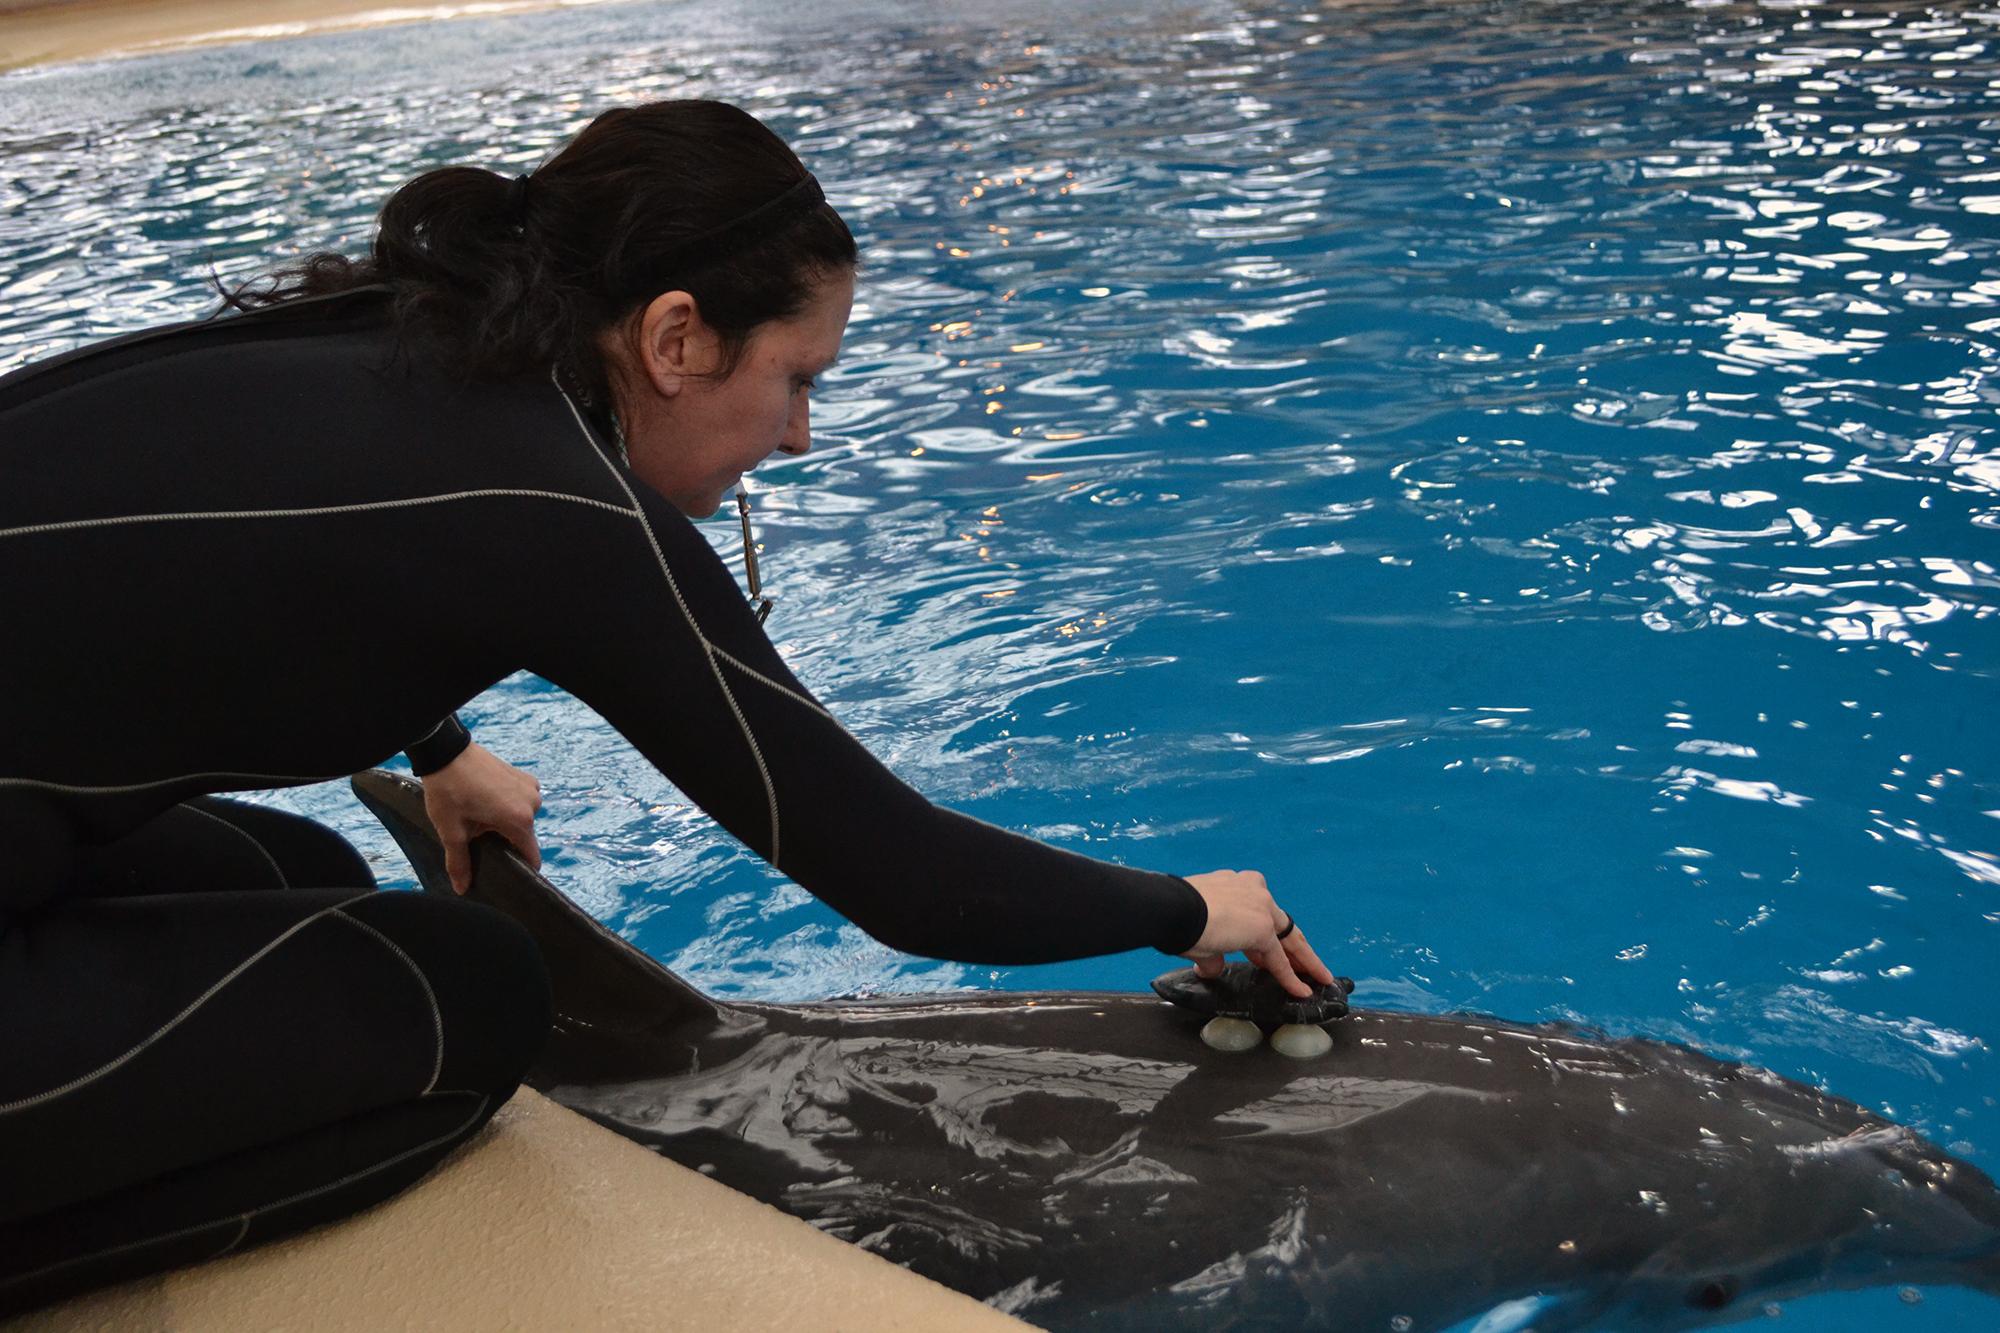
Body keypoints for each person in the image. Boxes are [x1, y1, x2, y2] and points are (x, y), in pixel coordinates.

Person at [0, 99, 1331, 1314]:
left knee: (298, 873)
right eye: (798, 378)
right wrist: (1186, 902)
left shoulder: (420, 344)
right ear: (677, 335)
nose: (801, 433)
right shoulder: (559, 500)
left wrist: (444, 746)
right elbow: (908, 880)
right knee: (464, 999)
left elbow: (269, 554)